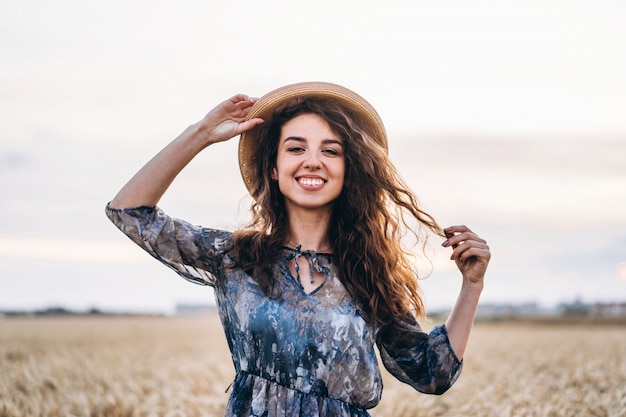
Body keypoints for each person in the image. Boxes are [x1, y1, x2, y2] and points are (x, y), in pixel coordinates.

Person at [105, 81, 490, 416]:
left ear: (347, 169)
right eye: (295, 148)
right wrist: (202, 133)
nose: (312, 162)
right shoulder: (235, 257)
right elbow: (129, 212)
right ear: (273, 168)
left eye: (330, 150)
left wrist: (472, 285)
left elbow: (430, 372)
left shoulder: (367, 273)